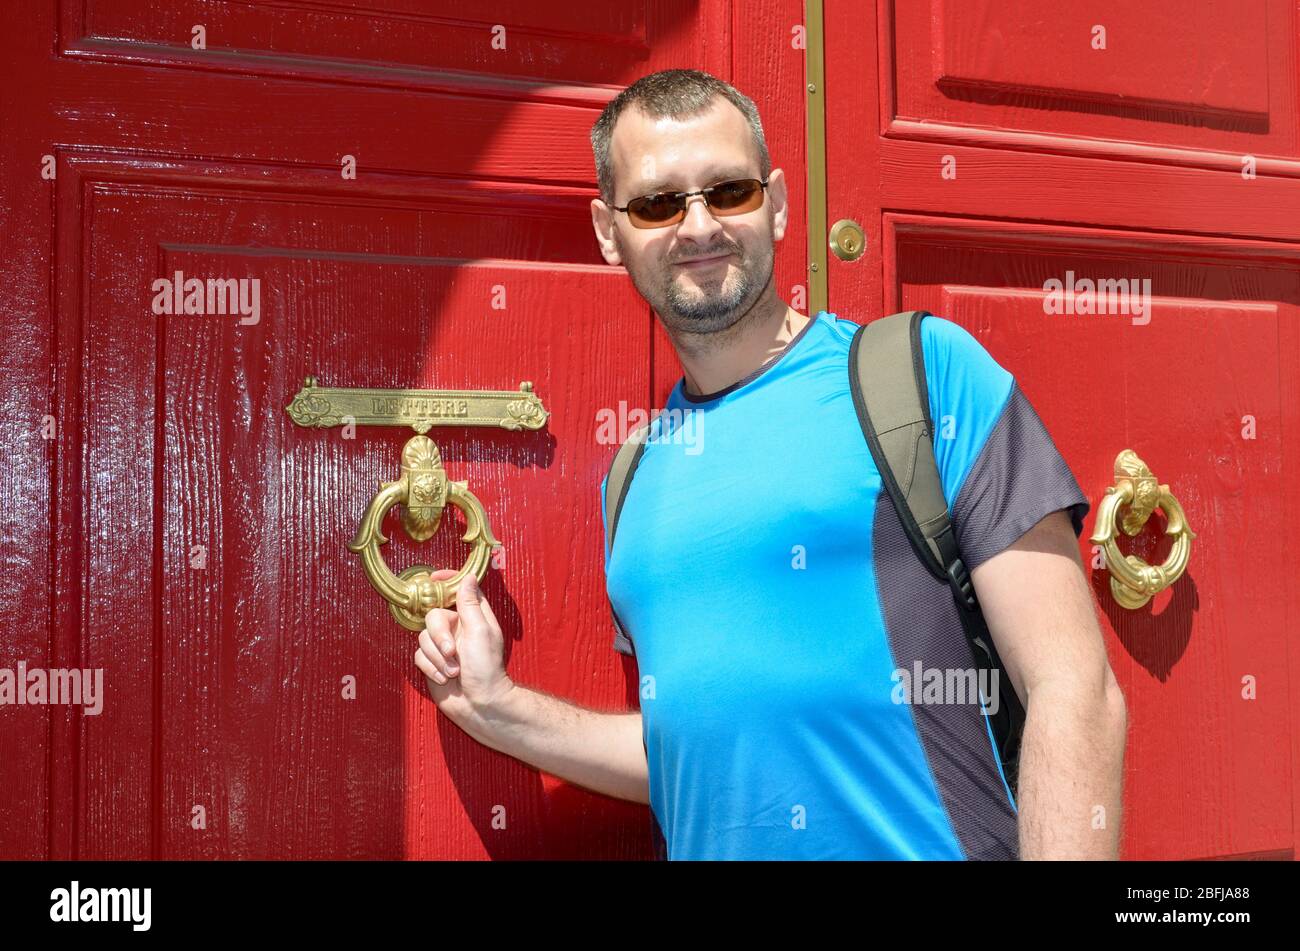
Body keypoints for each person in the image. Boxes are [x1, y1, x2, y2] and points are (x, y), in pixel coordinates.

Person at [414, 68, 1127, 860]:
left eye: (729, 191)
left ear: (778, 203)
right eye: (657, 203)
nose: (698, 225)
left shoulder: (922, 375)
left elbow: (1075, 691)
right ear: (608, 232)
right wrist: (499, 707)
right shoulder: (632, 479)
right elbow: (694, 755)